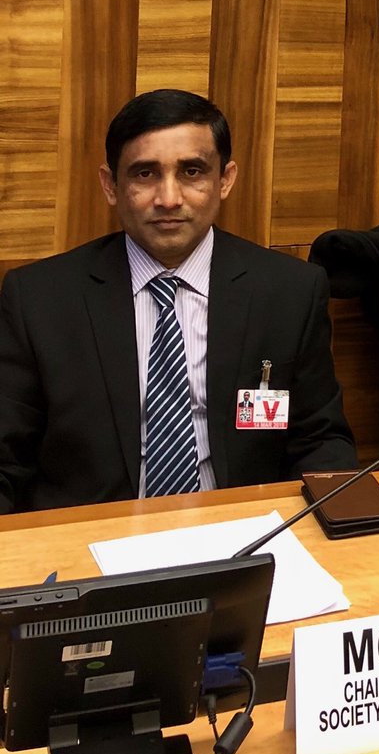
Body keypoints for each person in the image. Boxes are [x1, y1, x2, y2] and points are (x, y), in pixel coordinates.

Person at [0, 89, 358, 512]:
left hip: (243, 532)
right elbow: (6, 460)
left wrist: (333, 533)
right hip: (91, 540)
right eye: (145, 174)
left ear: (224, 180)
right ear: (110, 185)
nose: (168, 199)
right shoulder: (39, 299)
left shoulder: (289, 291)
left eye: (191, 172)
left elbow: (320, 440)